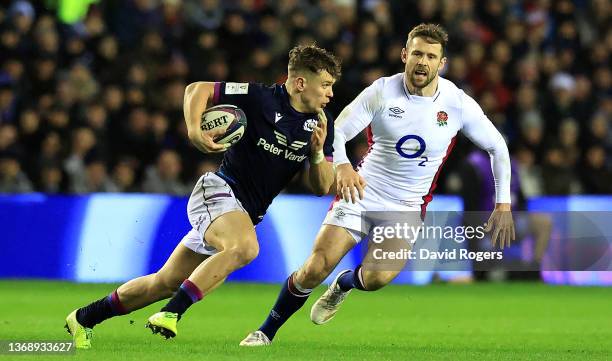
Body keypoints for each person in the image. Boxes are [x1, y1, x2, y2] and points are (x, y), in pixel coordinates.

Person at [240, 24, 515, 346]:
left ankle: (343, 285)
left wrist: (503, 203)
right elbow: (338, 129)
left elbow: (498, 147)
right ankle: (265, 331)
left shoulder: (457, 103)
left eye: (430, 56)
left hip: (406, 206)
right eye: (416, 54)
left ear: (442, 64)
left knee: (376, 278)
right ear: (404, 55)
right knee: (315, 267)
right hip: (361, 192)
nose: (422, 62)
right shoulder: (382, 90)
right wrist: (341, 165)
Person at [64, 44, 341, 349]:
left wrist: (316, 153)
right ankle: (171, 314)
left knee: (164, 282)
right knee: (245, 248)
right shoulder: (259, 97)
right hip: (218, 191)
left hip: (242, 213)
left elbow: (321, 187)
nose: (330, 94)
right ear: (301, 83)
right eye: (326, 85)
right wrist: (195, 130)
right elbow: (197, 89)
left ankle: (84, 317)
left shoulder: (320, 123)